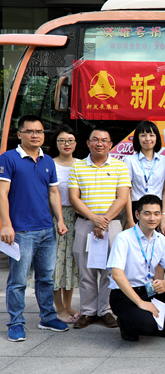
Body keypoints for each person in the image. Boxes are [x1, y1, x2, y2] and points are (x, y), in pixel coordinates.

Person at [0, 115, 69, 341]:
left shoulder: (47, 160)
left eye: (39, 131)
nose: (35, 135)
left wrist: (59, 220)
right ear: (19, 134)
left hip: (47, 229)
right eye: (29, 131)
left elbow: (53, 193)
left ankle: (47, 317)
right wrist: (6, 225)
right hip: (21, 231)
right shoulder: (8, 159)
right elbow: (2, 193)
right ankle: (16, 323)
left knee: (46, 278)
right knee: (18, 281)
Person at [107, 195, 165, 341]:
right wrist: (140, 302)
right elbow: (117, 275)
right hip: (124, 294)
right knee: (146, 326)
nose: (152, 218)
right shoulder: (123, 238)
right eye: (147, 213)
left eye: (156, 214)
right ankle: (125, 324)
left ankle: (160, 326)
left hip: (148, 290)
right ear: (137, 215)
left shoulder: (160, 239)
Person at [69, 127, 131, 329]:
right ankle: (88, 312)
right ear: (88, 143)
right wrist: (94, 219)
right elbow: (74, 198)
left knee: (110, 271)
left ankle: (106, 311)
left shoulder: (120, 166)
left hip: (111, 225)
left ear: (110, 144)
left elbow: (122, 198)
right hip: (85, 223)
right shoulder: (77, 167)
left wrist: (103, 221)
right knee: (86, 271)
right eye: (95, 139)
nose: (99, 143)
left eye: (104, 140)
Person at [49, 125, 81, 324]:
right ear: (56, 143)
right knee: (56, 263)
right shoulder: (49, 164)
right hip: (55, 218)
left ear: (76, 144)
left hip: (77, 218)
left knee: (71, 262)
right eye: (62, 141)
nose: (66, 144)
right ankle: (59, 308)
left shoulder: (81, 165)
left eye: (70, 140)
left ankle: (68, 305)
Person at [124, 121, 165, 235]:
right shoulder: (129, 160)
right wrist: (130, 219)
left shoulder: (164, 161)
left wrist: (164, 216)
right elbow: (127, 192)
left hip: (157, 209)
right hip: (137, 208)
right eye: (143, 135)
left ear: (156, 138)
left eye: (151, 135)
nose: (147, 139)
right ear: (137, 138)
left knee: (157, 243)